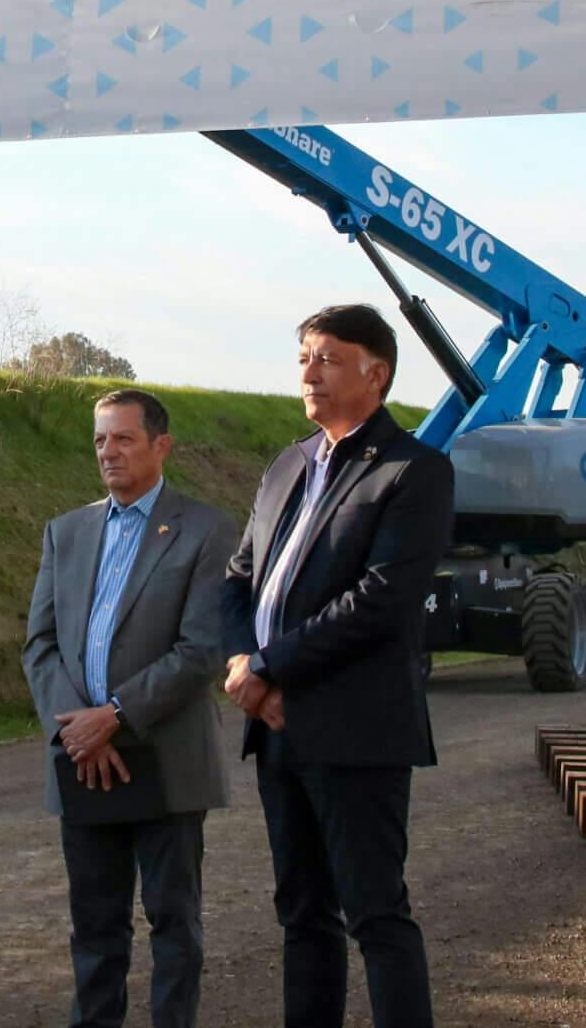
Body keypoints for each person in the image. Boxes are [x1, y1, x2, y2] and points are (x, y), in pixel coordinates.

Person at [219, 304, 453, 1028]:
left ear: (374, 373)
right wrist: (244, 668)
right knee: (302, 917)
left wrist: (271, 666)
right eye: (303, 360)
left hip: (355, 729)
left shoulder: (415, 471)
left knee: (376, 915)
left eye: (326, 358)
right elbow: (238, 579)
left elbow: (382, 599)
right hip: (278, 728)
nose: (309, 373)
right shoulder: (288, 463)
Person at [22, 389, 239, 1028]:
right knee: (94, 927)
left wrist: (112, 716)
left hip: (165, 758)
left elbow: (201, 650)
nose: (108, 453)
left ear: (161, 445)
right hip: (84, 759)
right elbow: (39, 644)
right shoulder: (66, 532)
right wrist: (76, 730)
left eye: (123, 439)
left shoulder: (205, 529)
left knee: (174, 924)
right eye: (99, 440)